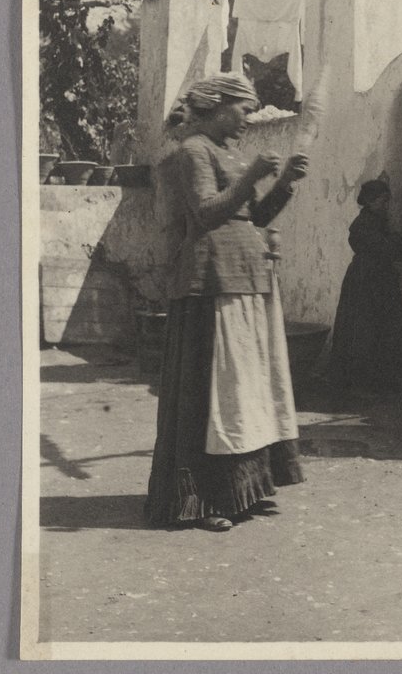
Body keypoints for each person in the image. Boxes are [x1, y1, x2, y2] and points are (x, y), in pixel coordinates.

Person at [145, 72, 309, 531]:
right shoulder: (193, 150)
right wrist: (254, 175)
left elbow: (252, 217)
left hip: (243, 277)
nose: (248, 120)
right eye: (244, 111)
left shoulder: (228, 153)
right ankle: (204, 499)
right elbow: (207, 212)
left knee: (242, 393)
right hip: (210, 282)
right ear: (217, 106)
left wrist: (282, 186)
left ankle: (243, 491)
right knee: (212, 393)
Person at [328, 179, 402, 394]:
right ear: (371, 201)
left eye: (387, 201)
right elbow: (383, 248)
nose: (386, 205)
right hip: (365, 280)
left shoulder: (376, 221)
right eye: (383, 201)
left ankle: (376, 382)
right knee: (363, 329)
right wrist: (400, 241)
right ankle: (361, 384)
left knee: (378, 329)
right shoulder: (363, 225)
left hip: (377, 278)